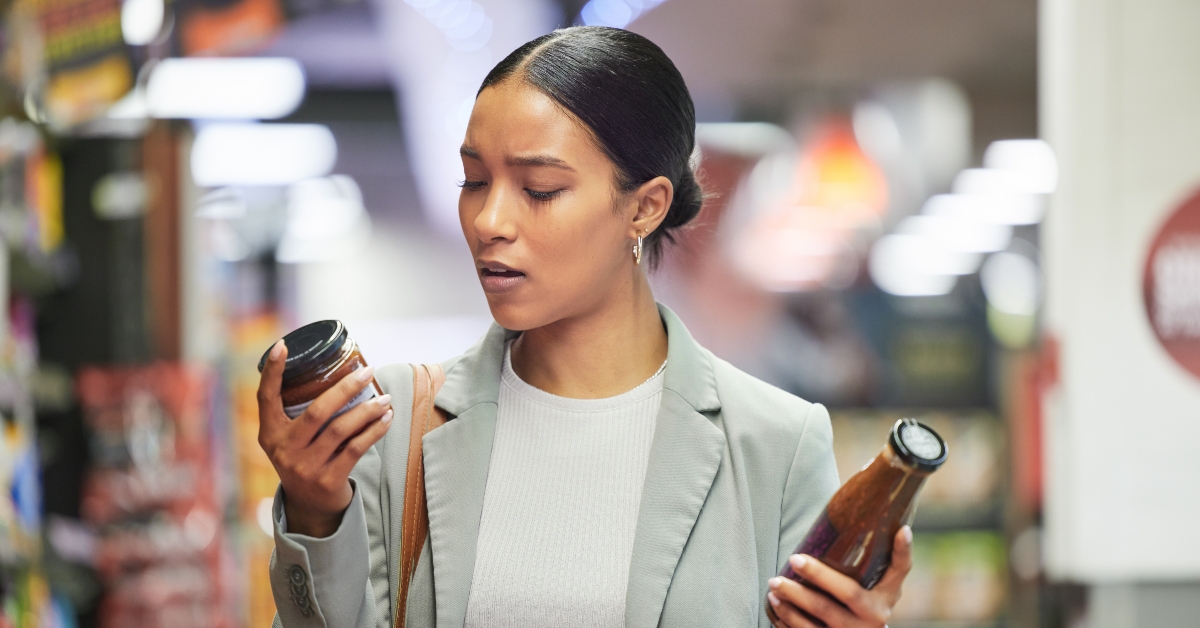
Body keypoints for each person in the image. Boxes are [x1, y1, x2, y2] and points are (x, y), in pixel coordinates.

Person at [256, 26, 912, 628]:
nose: (489, 221)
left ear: (645, 208)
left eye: (539, 188)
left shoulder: (776, 443)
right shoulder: (396, 425)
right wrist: (315, 512)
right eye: (474, 181)